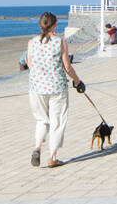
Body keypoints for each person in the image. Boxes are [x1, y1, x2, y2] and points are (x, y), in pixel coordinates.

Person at [24, 12, 83, 168]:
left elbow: (30, 64)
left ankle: (37, 147)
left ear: (40, 25)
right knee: (57, 121)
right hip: (57, 87)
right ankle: (52, 157)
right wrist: (77, 81)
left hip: (37, 88)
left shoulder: (32, 42)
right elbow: (67, 67)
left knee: (41, 119)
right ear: (55, 25)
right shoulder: (59, 42)